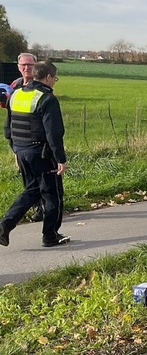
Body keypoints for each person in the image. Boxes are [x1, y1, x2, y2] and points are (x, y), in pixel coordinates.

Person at [0, 61, 69, 248]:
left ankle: (5, 225)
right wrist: (60, 158)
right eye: (55, 78)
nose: (55, 81)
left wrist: (15, 149)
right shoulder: (46, 98)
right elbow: (53, 132)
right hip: (41, 153)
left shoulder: (16, 94)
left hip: (21, 150)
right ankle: (50, 236)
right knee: (52, 193)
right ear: (47, 77)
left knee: (32, 190)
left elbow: (8, 126)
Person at [11, 53, 45, 223]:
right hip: (20, 143)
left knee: (42, 181)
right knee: (29, 181)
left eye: (30, 65)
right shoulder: (15, 86)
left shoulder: (40, 87)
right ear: (18, 67)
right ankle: (38, 208)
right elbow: (10, 118)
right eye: (23, 65)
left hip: (37, 144)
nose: (27, 68)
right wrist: (13, 146)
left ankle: (48, 210)